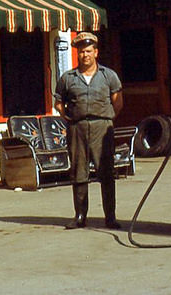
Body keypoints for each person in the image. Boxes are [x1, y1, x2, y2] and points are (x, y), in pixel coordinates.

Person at [53, 32, 124, 229]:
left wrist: (107, 119)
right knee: (78, 173)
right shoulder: (68, 78)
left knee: (106, 173)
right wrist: (69, 118)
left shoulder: (108, 76)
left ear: (96, 52)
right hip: (78, 128)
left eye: (89, 51)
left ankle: (110, 217)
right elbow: (59, 103)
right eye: (82, 51)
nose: (86, 55)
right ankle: (80, 216)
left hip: (102, 128)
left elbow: (118, 102)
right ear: (78, 54)